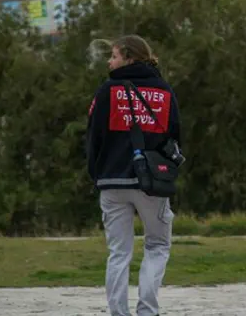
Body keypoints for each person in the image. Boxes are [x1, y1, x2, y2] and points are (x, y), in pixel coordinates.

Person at [86, 34, 182, 316]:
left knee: (118, 252)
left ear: (129, 58)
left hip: (112, 180)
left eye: (114, 56)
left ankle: (118, 312)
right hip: (151, 182)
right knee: (158, 244)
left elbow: (93, 137)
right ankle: (148, 310)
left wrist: (97, 174)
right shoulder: (164, 91)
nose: (109, 61)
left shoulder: (107, 91)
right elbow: (175, 135)